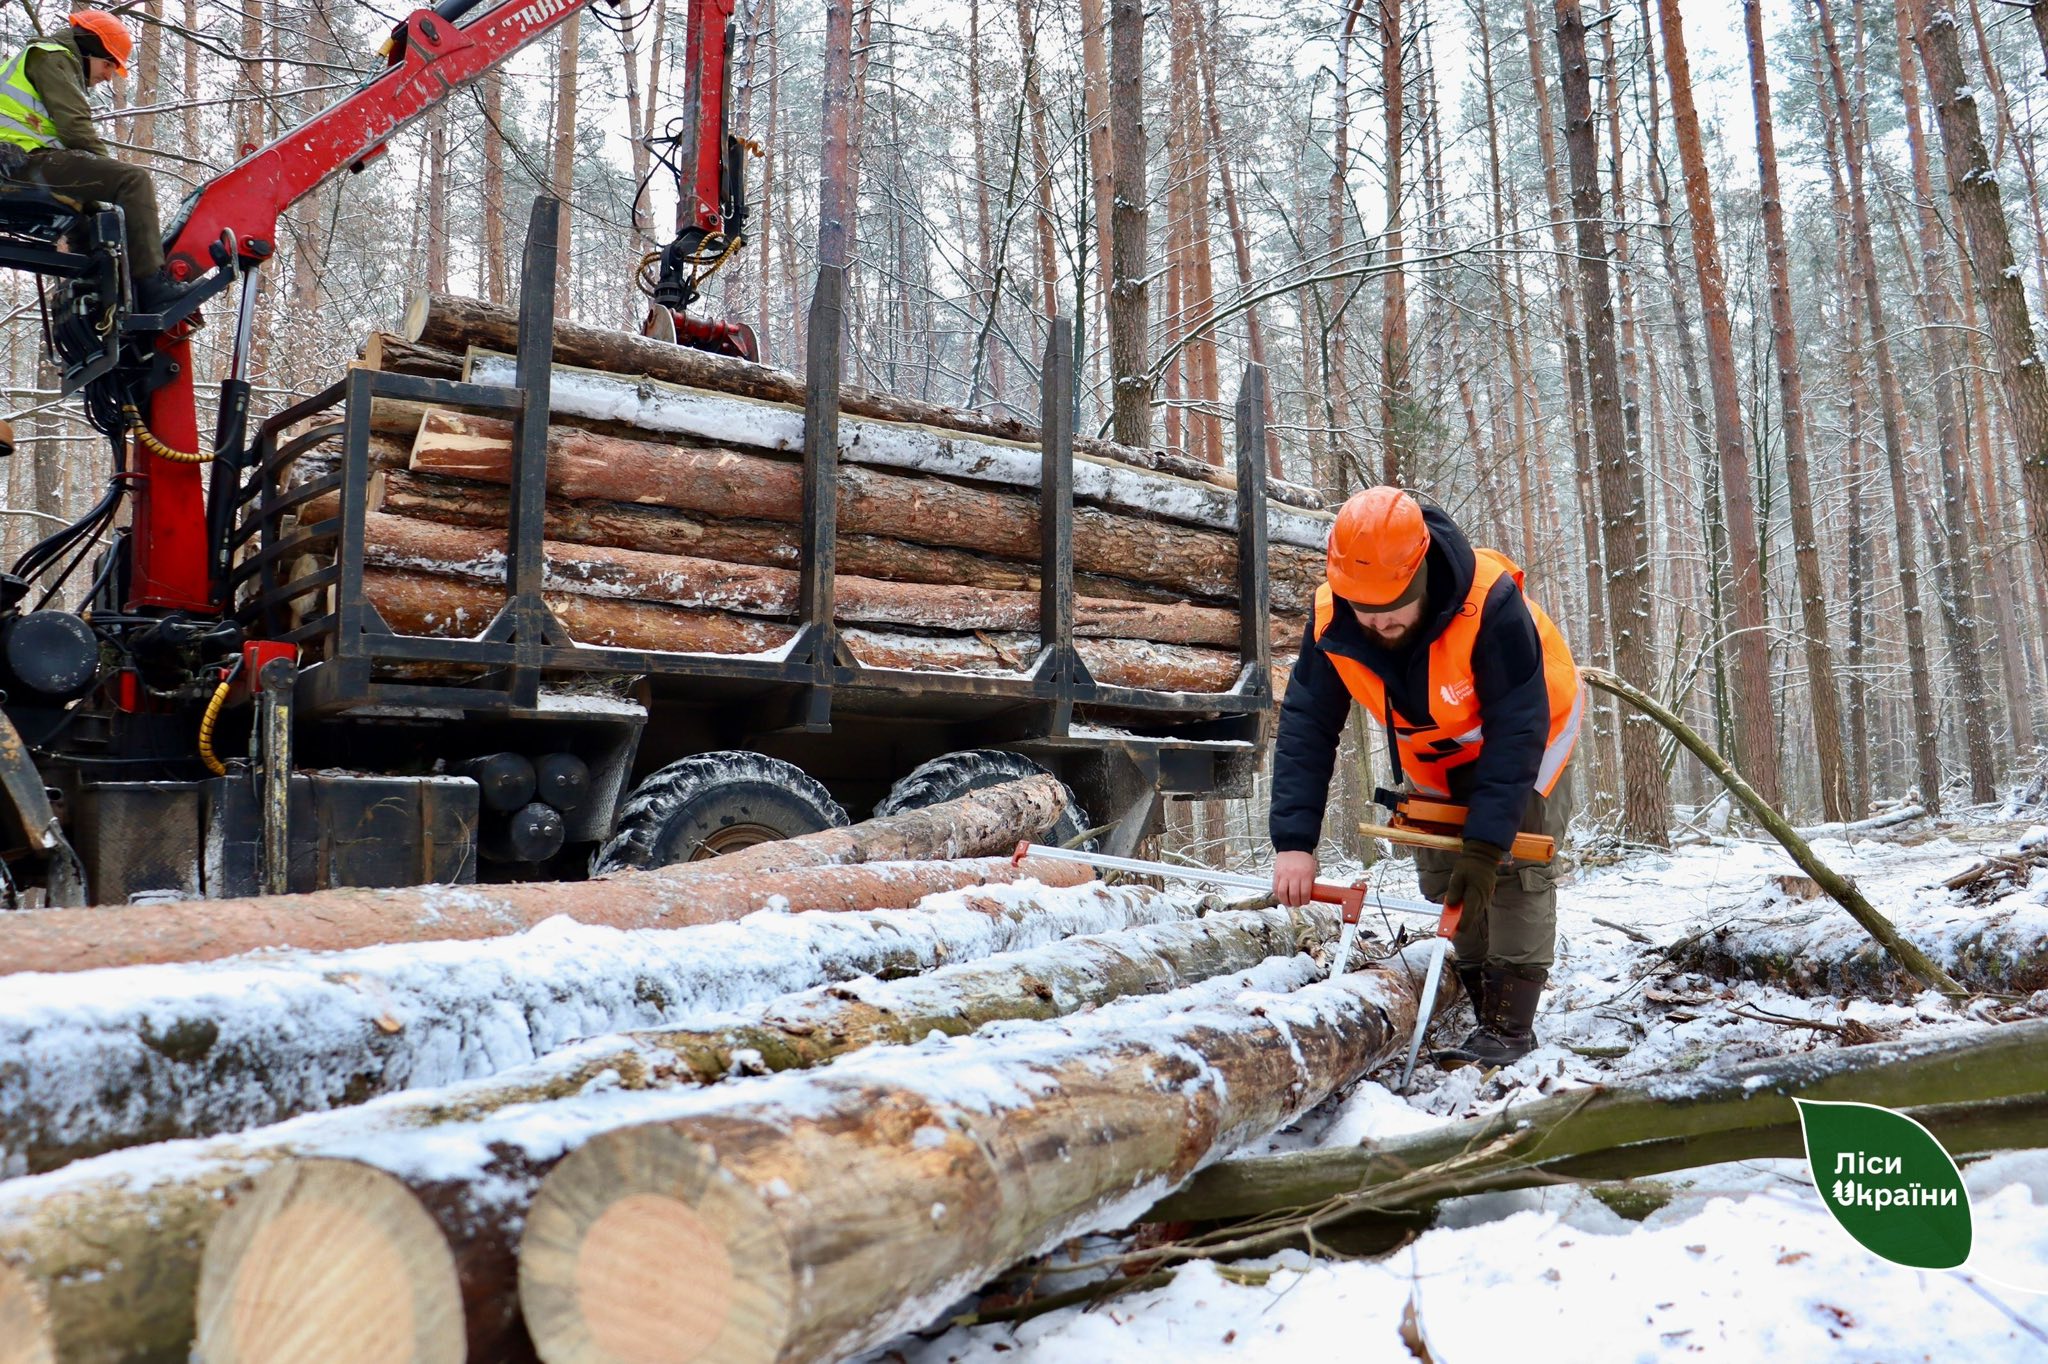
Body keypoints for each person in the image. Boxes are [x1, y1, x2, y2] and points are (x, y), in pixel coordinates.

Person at [1270, 487, 1582, 1066]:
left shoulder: (1491, 603)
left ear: (1421, 581)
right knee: (1445, 875)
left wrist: (1487, 845)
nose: (1378, 623)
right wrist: (1294, 842)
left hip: (1532, 736)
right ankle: (1475, 985)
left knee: (1511, 869)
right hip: (1435, 749)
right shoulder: (1331, 621)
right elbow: (1306, 728)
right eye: (1365, 611)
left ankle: (1509, 1024)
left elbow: (1518, 729)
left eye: (1393, 609)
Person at [0, 10, 194, 311]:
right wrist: (110, 179)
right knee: (132, 181)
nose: (108, 75)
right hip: (18, 164)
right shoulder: (51, 57)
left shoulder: (45, 62)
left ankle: (91, 296)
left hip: (21, 162)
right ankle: (152, 287)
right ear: (88, 51)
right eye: (108, 64)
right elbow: (76, 128)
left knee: (94, 213)